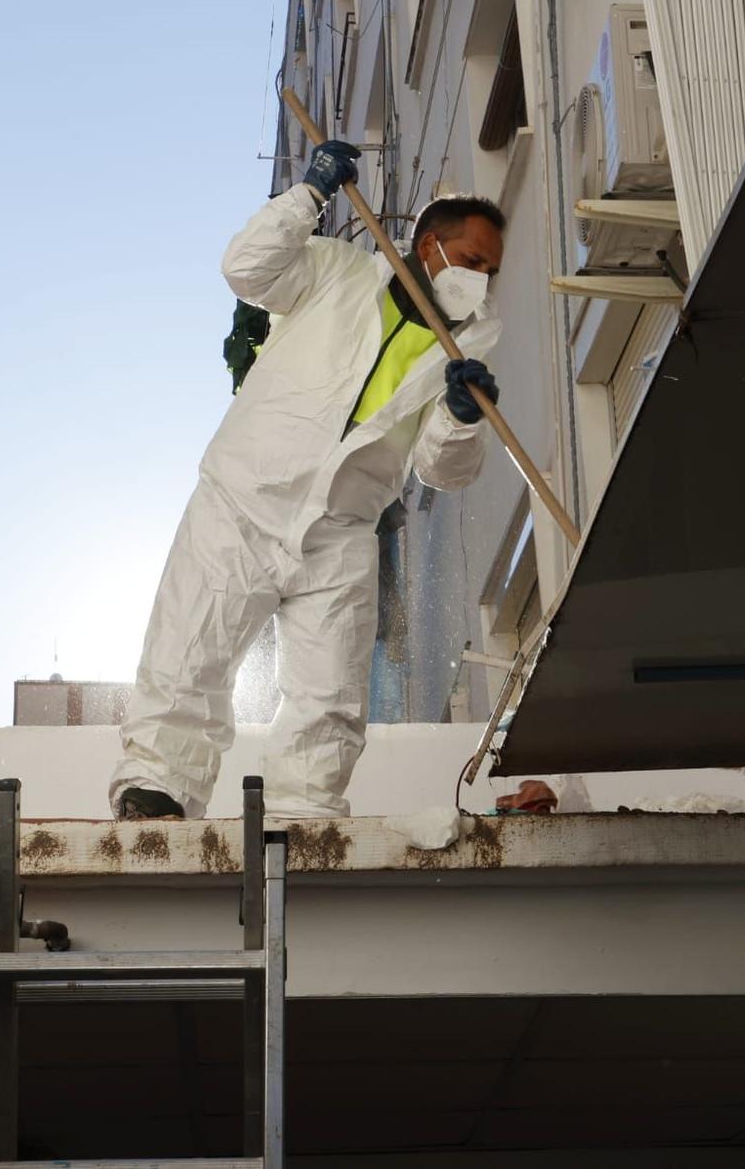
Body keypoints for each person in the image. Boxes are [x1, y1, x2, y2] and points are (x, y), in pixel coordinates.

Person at [111, 140, 505, 819]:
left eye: (490, 270)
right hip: (245, 497)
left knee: (330, 692)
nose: (480, 279)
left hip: (342, 528)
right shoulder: (336, 271)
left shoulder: (467, 344)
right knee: (190, 648)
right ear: (430, 245)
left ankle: (304, 816)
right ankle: (159, 789)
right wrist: (308, 194)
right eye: (472, 261)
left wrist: (464, 417)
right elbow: (246, 268)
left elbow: (441, 467)